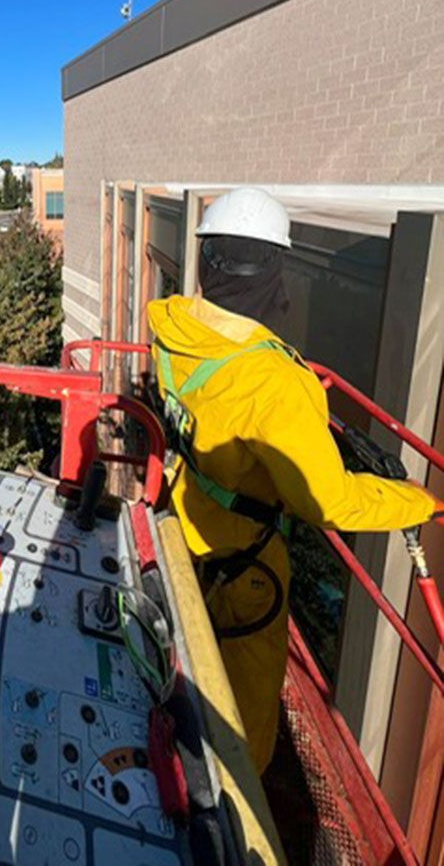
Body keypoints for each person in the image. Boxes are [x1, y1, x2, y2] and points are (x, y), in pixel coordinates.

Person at [147, 186, 440, 773]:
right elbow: (329, 501)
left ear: (208, 260)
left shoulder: (174, 328)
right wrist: (414, 503)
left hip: (184, 528)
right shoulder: (278, 383)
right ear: (273, 270)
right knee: (245, 727)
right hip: (245, 567)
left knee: (188, 664)